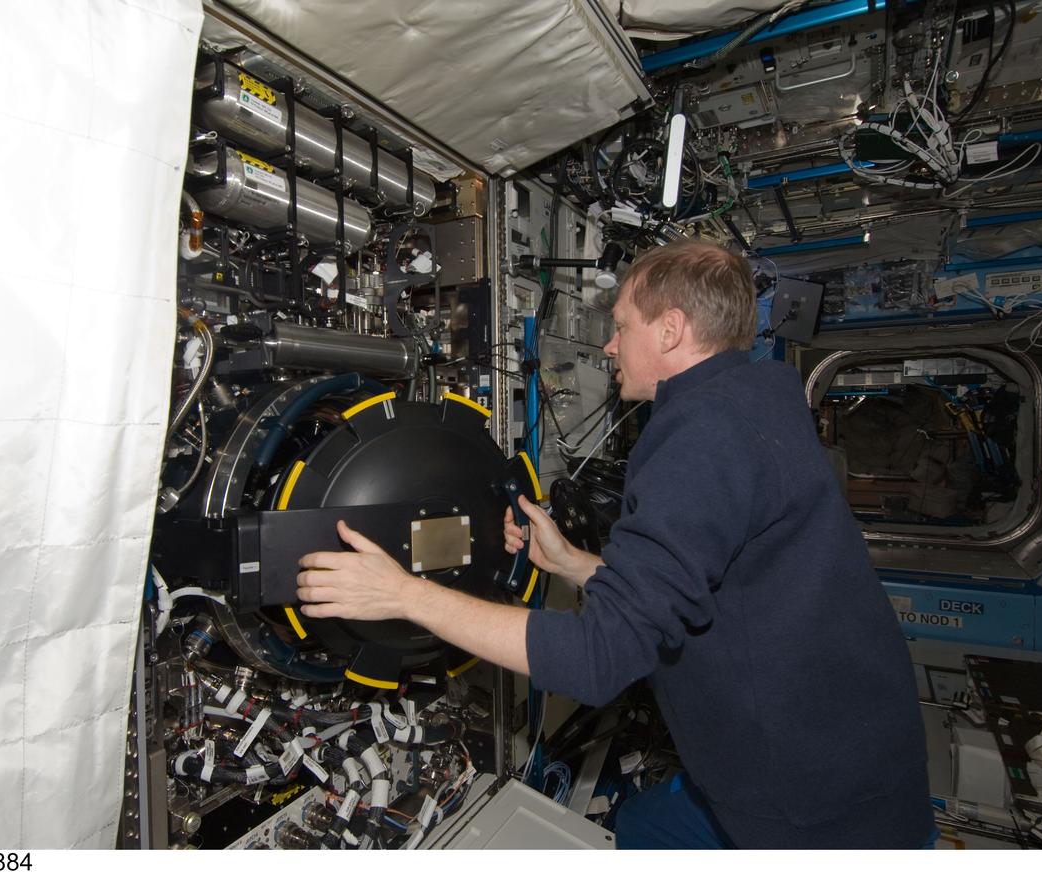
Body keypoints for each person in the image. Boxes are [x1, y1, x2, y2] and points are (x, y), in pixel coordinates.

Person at [296, 241, 934, 848]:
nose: (608, 344)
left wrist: (403, 594)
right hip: (838, 743)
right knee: (645, 830)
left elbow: (600, 659)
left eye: (622, 325)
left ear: (670, 330)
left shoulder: (704, 442)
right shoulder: (753, 399)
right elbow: (700, 585)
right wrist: (578, 565)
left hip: (813, 806)